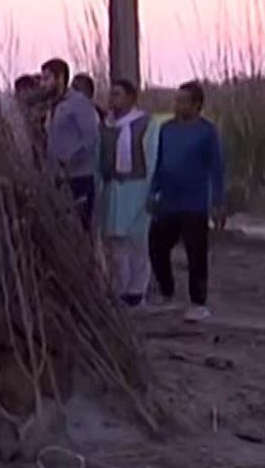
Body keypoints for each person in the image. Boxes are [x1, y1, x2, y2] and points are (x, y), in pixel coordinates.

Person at [148, 81, 225, 323]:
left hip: (194, 203)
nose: (177, 104)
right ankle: (167, 292)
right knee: (156, 245)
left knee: (196, 254)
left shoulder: (206, 131)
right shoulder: (167, 129)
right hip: (169, 201)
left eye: (183, 100)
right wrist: (153, 192)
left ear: (196, 104)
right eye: (176, 99)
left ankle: (198, 303)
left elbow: (217, 168)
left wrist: (218, 202)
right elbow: (160, 163)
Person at [96, 79, 159, 308]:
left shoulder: (145, 124)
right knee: (114, 241)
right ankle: (119, 288)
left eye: (118, 95)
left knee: (137, 240)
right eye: (111, 95)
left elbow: (151, 158)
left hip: (137, 186)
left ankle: (137, 290)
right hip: (113, 188)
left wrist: (152, 190)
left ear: (131, 98)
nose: (113, 100)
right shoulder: (106, 125)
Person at [42, 58, 100, 231]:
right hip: (57, 176)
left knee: (80, 229)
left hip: (78, 176)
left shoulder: (78, 103)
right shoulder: (53, 106)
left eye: (47, 79)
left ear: (60, 78)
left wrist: (71, 158)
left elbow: (91, 137)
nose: (43, 84)